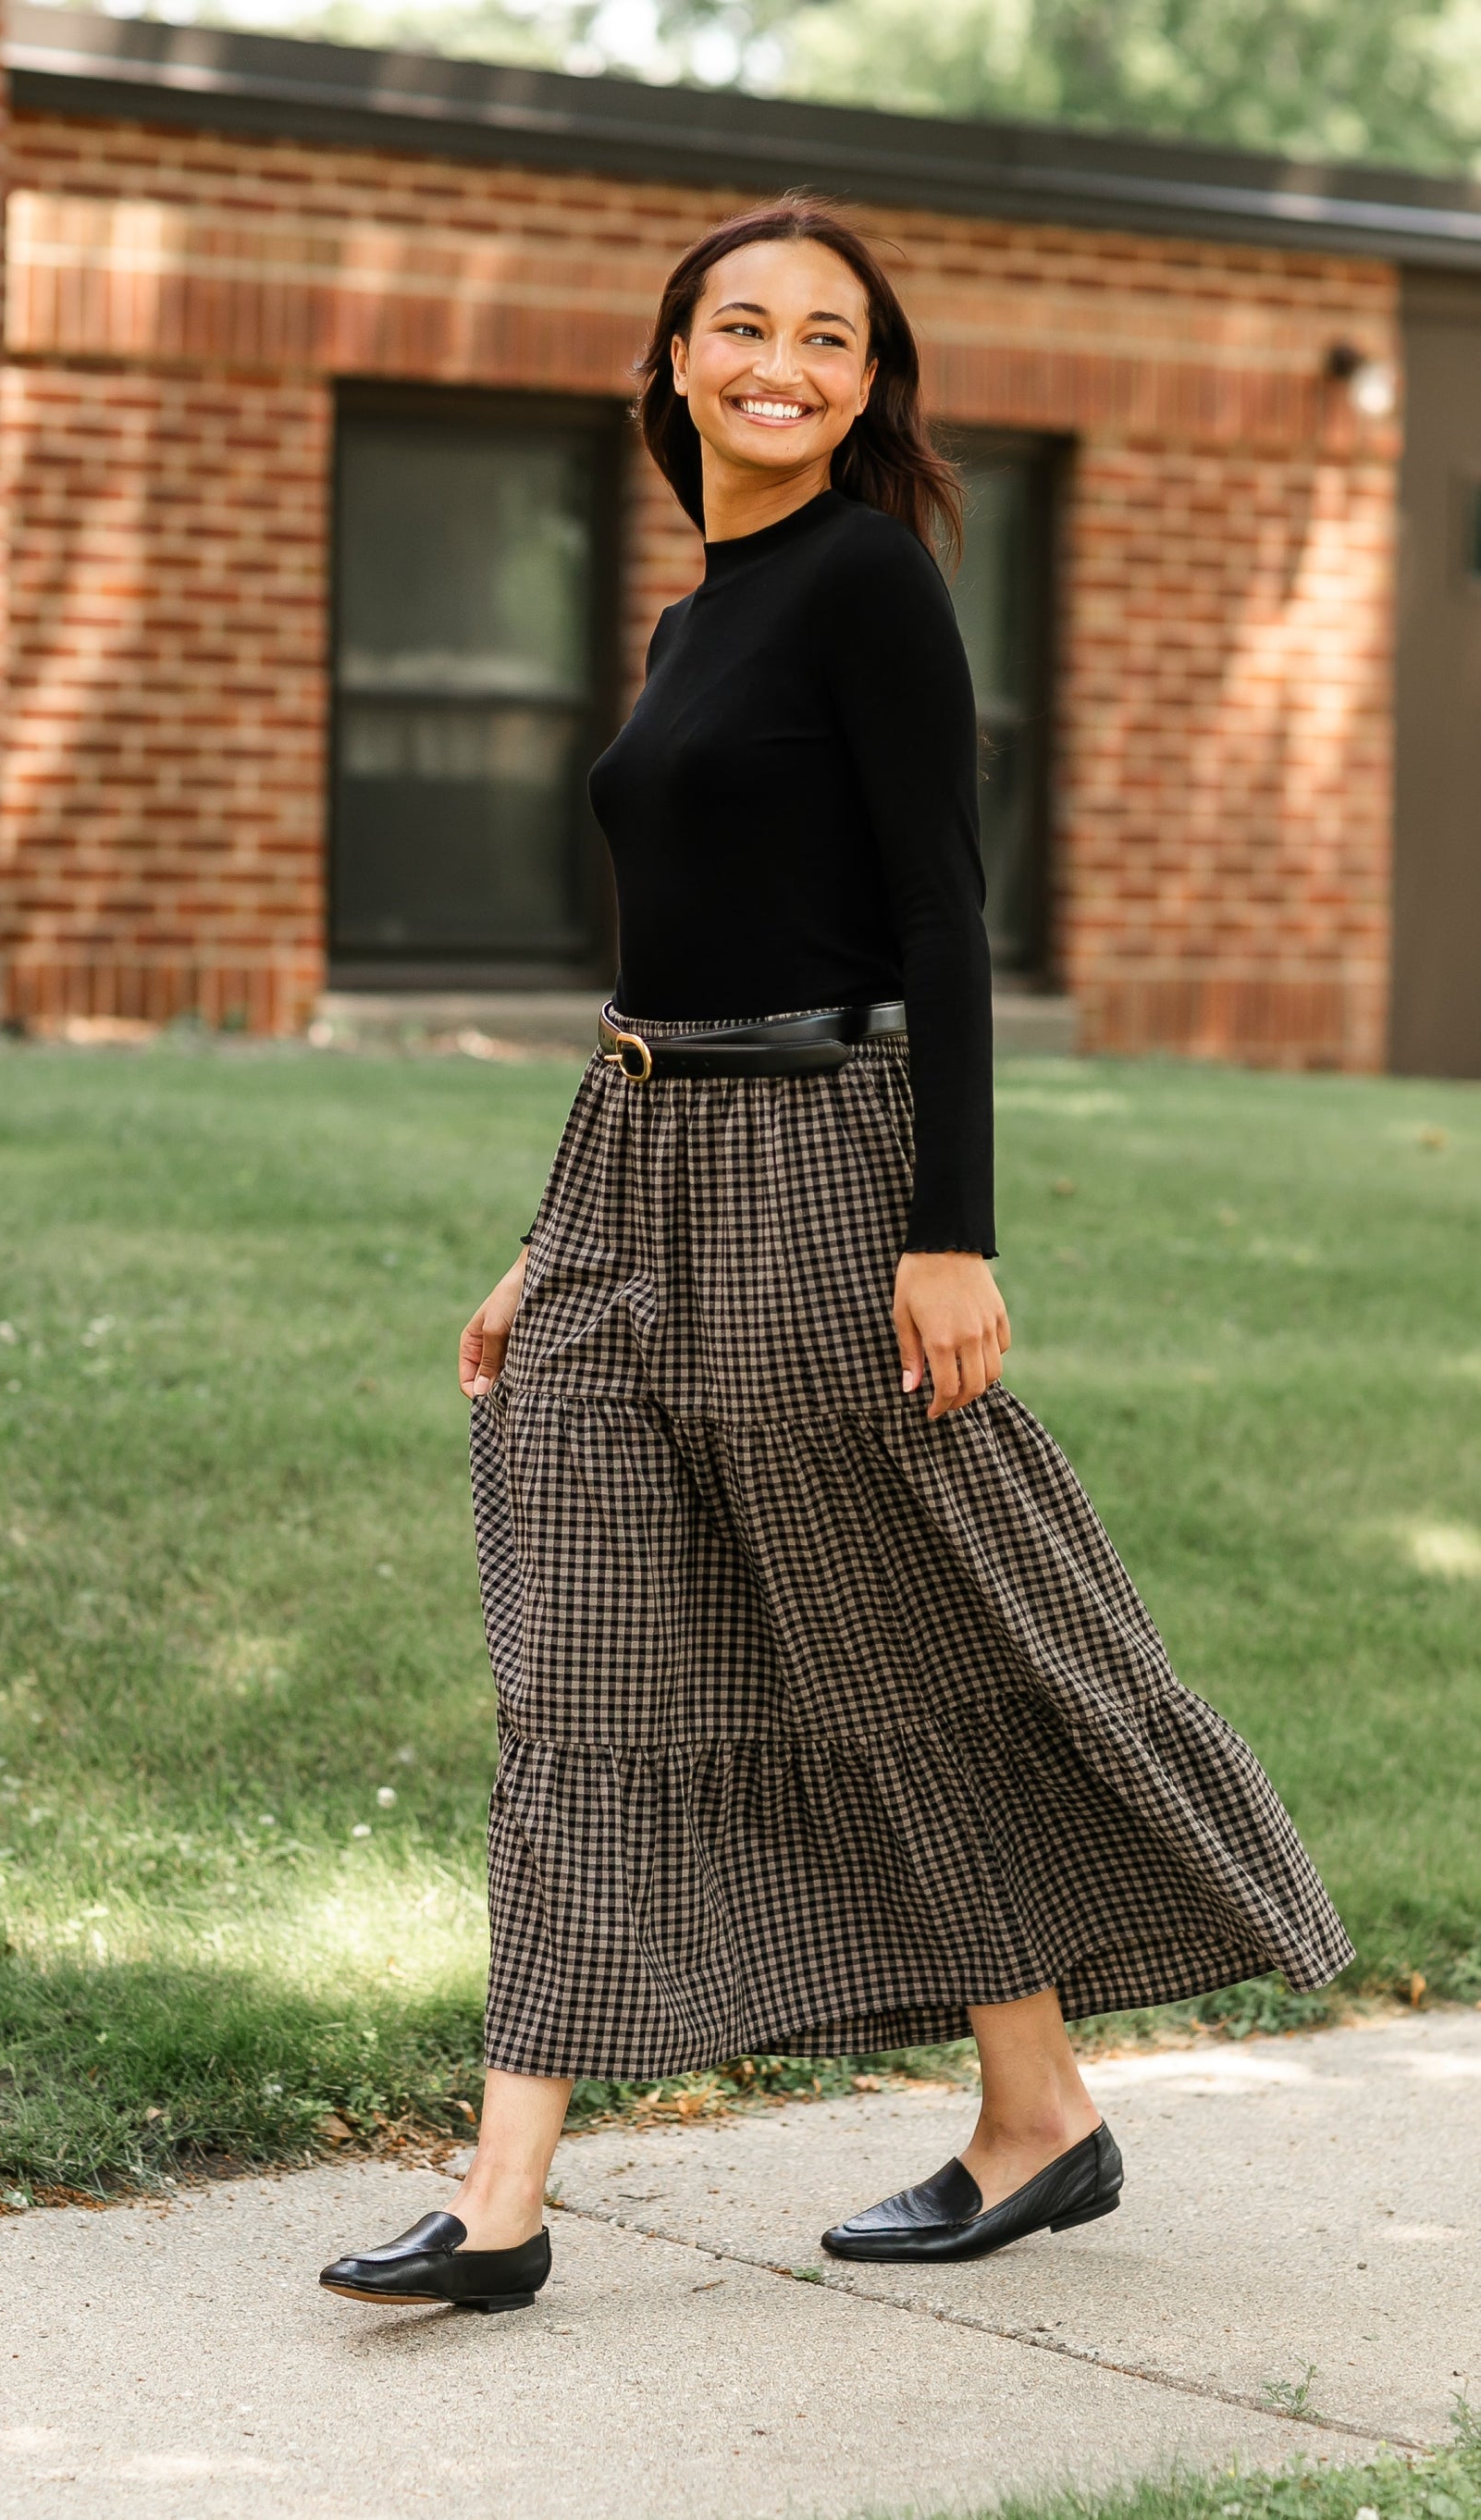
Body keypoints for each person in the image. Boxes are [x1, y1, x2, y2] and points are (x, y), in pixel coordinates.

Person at [318, 193, 1352, 2318]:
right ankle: (501, 2207)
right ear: (674, 359)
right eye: (743, 326)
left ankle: (1034, 2108)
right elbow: (656, 961)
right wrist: (553, 1237)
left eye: (830, 340)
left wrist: (948, 1232)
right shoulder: (693, 618)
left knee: (889, 1650)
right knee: (580, 1664)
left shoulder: (869, 584)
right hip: (643, 1162)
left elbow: (938, 922)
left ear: (867, 388)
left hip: (819, 1168)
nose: (783, 363)